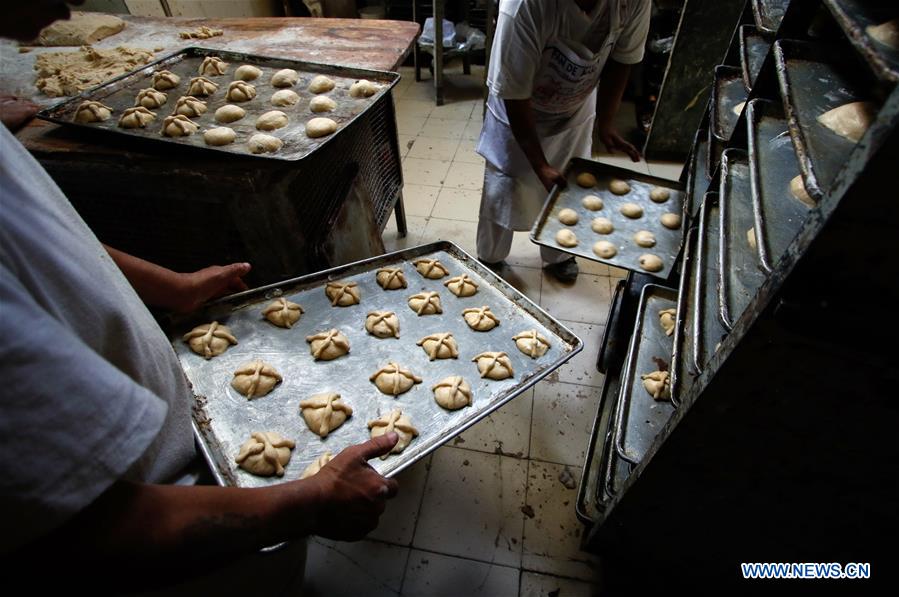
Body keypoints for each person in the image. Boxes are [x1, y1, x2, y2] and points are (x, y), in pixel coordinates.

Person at [0, 2, 399, 591]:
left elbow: (43, 238)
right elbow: (79, 534)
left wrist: (171, 286)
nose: (68, 4)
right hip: (170, 549)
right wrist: (310, 502)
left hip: (188, 442)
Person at [476, 0, 650, 282]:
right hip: (517, 107)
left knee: (567, 185)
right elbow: (514, 92)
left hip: (575, 105)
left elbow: (623, 57)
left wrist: (606, 123)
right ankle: (491, 256)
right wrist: (539, 163)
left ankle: (559, 255)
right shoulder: (523, 8)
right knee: (506, 184)